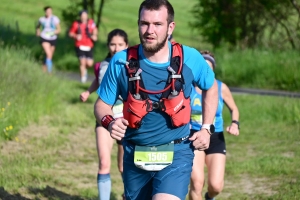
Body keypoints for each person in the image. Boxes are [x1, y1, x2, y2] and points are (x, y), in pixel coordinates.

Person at [94, 0, 218, 199]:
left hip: (177, 152)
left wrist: (206, 128)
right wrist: (109, 122)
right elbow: (101, 105)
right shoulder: (121, 61)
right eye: (144, 23)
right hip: (135, 156)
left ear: (170, 27)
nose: (149, 30)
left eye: (157, 24)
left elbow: (211, 87)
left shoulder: (190, 58)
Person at [80, 29, 129, 200]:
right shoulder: (101, 65)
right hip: (104, 120)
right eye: (112, 44)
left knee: (124, 166)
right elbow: (98, 79)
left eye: (120, 44)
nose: (116, 48)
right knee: (104, 162)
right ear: (108, 45)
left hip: (125, 121)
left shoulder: (131, 65)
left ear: (126, 45)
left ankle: (128, 194)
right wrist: (88, 92)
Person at [189, 51, 240, 200]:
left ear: (213, 69)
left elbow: (234, 109)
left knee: (216, 186)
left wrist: (235, 124)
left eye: (209, 68)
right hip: (193, 135)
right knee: (197, 183)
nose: (205, 71)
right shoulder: (188, 86)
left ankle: (210, 197)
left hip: (215, 136)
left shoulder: (220, 87)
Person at [69, 10, 98, 83]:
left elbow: (95, 29)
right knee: (82, 62)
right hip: (79, 45)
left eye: (85, 15)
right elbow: (70, 33)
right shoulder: (76, 24)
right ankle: (83, 79)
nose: (84, 17)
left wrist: (94, 35)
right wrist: (75, 36)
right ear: (80, 16)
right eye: (82, 16)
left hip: (89, 45)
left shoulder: (91, 22)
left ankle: (85, 70)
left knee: (89, 63)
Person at [36, 6, 61, 74]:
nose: (48, 12)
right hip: (44, 38)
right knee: (49, 54)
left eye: (50, 11)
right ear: (45, 12)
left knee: (49, 57)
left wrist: (53, 32)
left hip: (53, 38)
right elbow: (37, 26)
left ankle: (43, 71)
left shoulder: (55, 19)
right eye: (47, 11)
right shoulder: (42, 19)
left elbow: (59, 30)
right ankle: (50, 72)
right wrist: (38, 31)